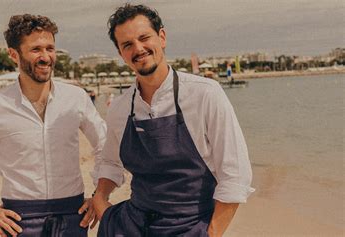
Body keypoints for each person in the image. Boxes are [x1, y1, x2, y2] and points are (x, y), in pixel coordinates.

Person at [92, 4, 254, 237]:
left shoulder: (205, 94)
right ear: (121, 54)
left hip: (189, 227)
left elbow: (235, 174)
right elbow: (109, 162)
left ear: (162, 37)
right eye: (127, 45)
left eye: (144, 38)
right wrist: (100, 198)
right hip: (130, 226)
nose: (138, 49)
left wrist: (211, 233)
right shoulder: (119, 107)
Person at [0, 14, 109, 237]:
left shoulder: (76, 97)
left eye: (50, 48)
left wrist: (99, 196)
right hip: (20, 219)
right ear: (14, 54)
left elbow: (105, 146)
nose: (46, 57)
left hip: (73, 215)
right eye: (36, 50)